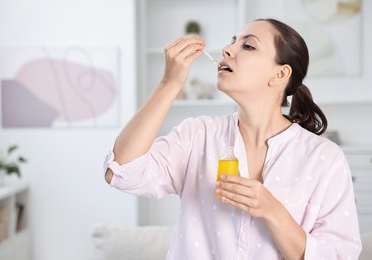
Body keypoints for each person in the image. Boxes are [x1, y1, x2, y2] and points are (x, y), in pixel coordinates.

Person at [103, 18, 362, 259]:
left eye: (248, 45)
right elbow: (122, 171)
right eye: (232, 41)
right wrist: (169, 84)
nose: (227, 49)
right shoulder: (198, 136)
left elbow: (338, 254)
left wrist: (271, 210)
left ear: (280, 74)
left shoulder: (323, 158)